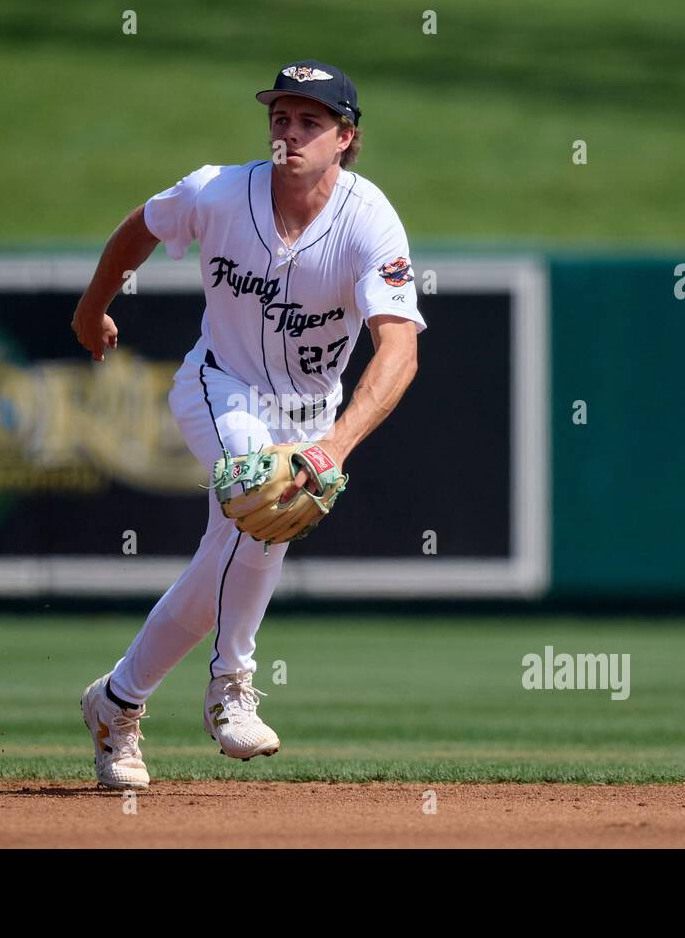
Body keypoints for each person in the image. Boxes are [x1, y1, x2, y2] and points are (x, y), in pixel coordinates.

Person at [72, 60, 426, 789]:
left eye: (310, 122)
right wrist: (92, 305)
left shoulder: (369, 219)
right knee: (261, 505)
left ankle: (116, 702)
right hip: (219, 385)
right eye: (280, 118)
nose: (290, 133)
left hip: (311, 414)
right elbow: (142, 226)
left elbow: (399, 348)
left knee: (226, 557)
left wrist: (334, 445)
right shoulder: (220, 191)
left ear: (346, 137)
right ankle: (231, 685)